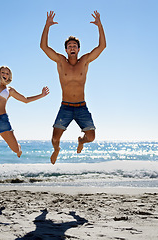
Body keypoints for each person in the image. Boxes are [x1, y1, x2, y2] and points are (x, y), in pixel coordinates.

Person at [40, 11, 106, 164]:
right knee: (55, 138)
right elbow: (43, 47)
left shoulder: (85, 61)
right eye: (69, 46)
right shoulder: (60, 61)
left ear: (78, 49)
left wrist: (99, 25)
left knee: (91, 137)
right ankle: (57, 150)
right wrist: (47, 25)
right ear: (66, 49)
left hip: (82, 107)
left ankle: (81, 141)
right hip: (66, 107)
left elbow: (102, 46)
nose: (72, 48)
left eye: (74, 46)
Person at [0, 36, 49, 174]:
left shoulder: (10, 90)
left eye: (7, 73)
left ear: (9, 77)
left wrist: (41, 95)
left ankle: (19, 148)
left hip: (2, 120)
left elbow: (26, 100)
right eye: (2, 72)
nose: (4, 74)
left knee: (16, 150)